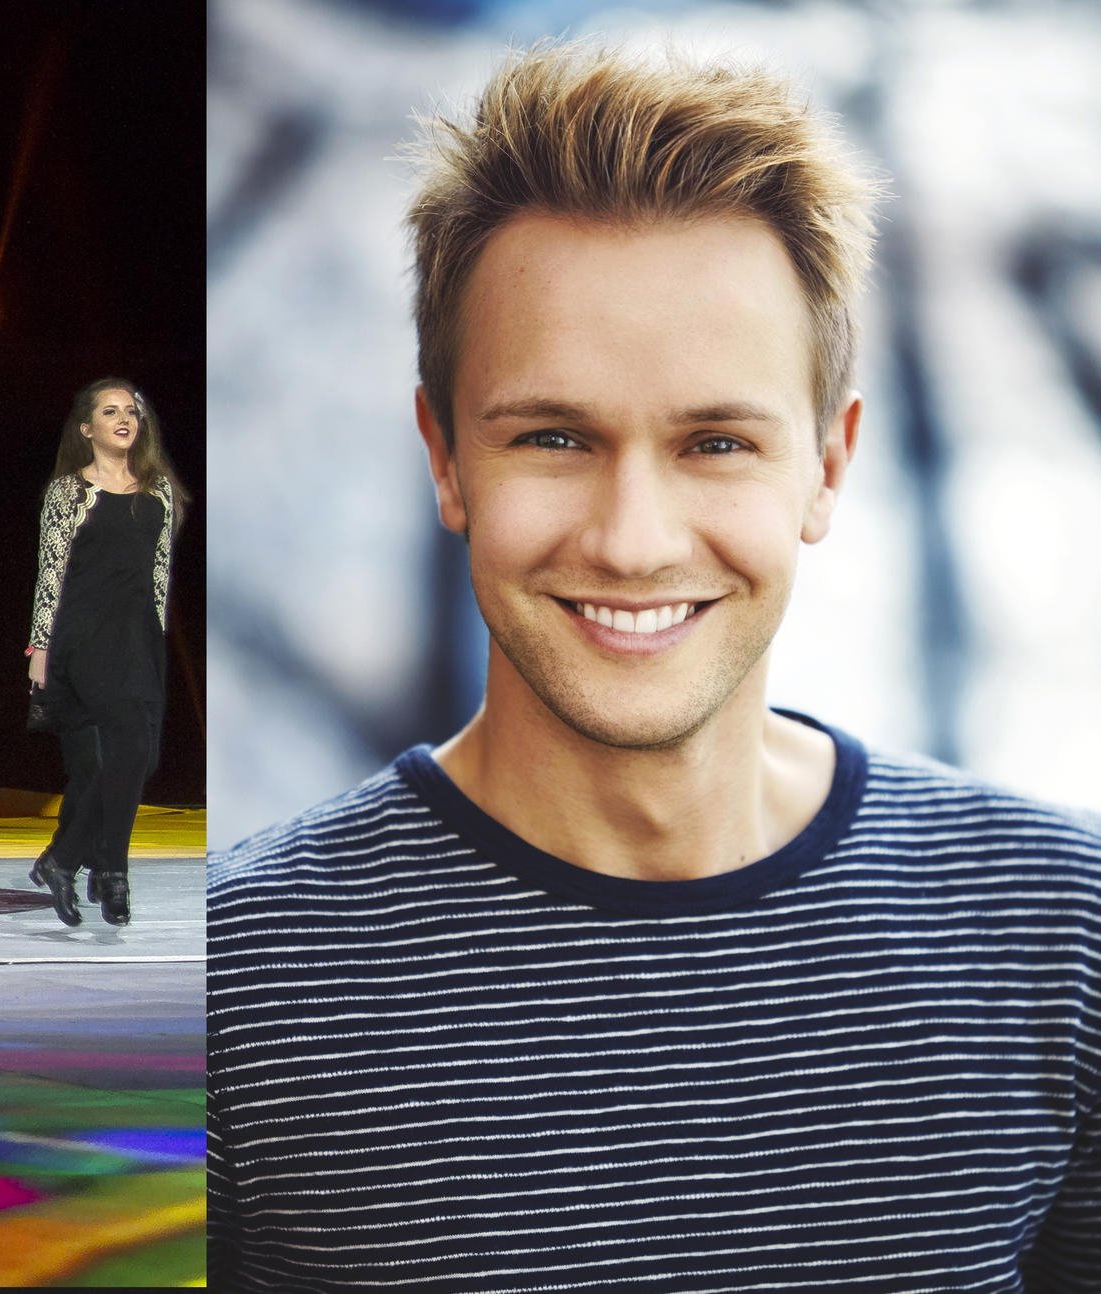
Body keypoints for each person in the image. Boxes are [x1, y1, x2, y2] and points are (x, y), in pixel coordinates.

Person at [205, 42, 1101, 1290]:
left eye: (714, 443)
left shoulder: (1058, 928)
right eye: (553, 437)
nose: (631, 542)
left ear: (826, 466)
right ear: (445, 458)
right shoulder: (232, 981)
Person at [24, 375, 187, 927]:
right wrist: (40, 645)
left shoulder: (158, 490)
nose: (124, 419)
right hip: (84, 636)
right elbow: (50, 572)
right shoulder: (69, 491)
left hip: (138, 639)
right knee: (123, 750)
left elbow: (159, 575)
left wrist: (154, 639)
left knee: (137, 758)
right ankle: (108, 871)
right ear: (87, 428)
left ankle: (69, 859)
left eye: (131, 411)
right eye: (111, 411)